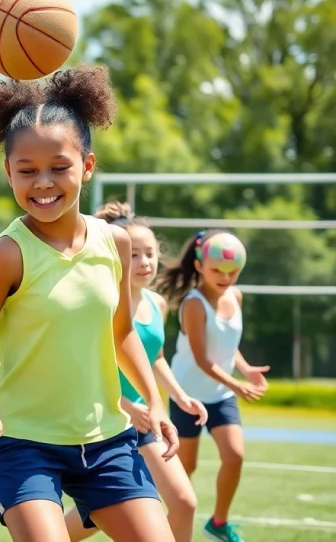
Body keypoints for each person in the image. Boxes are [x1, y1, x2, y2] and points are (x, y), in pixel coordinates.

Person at [0, 64, 179, 542]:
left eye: (59, 167)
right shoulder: (8, 252)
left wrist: (156, 403)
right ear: (8, 173)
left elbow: (122, 333)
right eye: (27, 170)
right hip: (22, 443)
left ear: (87, 165)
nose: (43, 182)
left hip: (107, 441)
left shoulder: (114, 242)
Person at [64, 201, 206, 542]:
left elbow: (153, 357)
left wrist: (180, 396)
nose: (144, 263)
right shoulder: (101, 303)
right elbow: (84, 364)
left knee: (183, 502)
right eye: (134, 255)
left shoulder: (157, 303)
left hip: (146, 420)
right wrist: (126, 405)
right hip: (105, 419)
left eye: (150, 254)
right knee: (111, 509)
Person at [159, 229, 266, 542]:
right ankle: (165, 526)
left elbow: (229, 345)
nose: (225, 277)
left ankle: (218, 523)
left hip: (221, 396)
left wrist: (246, 371)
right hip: (187, 397)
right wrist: (239, 384)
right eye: (218, 270)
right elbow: (202, 358)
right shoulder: (193, 304)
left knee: (234, 456)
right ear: (199, 266)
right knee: (185, 467)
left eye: (233, 272)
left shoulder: (237, 296)